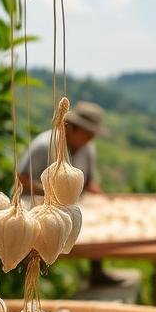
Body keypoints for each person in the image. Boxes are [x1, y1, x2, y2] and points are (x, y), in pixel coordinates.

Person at [17, 101, 119, 284]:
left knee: (95, 216)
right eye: (87, 134)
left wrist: (106, 200)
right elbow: (21, 180)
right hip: (36, 202)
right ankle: (29, 276)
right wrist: (54, 193)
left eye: (92, 135)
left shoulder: (88, 149)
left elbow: (88, 182)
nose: (89, 139)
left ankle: (96, 270)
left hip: (70, 204)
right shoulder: (44, 145)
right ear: (71, 128)